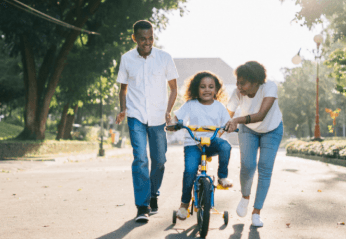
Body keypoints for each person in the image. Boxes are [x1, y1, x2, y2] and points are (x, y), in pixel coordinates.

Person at [115, 20, 179, 223]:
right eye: (143, 39)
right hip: (135, 116)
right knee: (141, 159)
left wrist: (168, 111)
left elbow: (174, 88)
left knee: (159, 161)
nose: (147, 42)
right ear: (134, 38)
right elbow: (123, 88)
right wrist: (123, 109)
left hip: (159, 117)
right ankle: (142, 206)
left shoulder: (164, 58)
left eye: (150, 38)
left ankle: (153, 194)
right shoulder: (126, 59)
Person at [224, 61, 283, 227]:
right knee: (247, 165)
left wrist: (237, 120)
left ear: (256, 82)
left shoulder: (269, 87)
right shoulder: (238, 93)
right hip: (248, 130)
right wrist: (216, 131)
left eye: (242, 83)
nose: (239, 86)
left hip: (272, 129)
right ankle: (245, 196)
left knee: (265, 167)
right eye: (237, 82)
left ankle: (256, 212)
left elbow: (261, 115)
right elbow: (226, 115)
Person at [168, 71, 233, 220]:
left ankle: (222, 177)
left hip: (211, 142)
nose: (207, 90)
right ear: (197, 88)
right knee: (190, 171)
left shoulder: (219, 107)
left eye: (211, 86)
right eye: (203, 86)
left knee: (226, 146)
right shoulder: (190, 105)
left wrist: (230, 126)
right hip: (193, 143)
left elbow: (227, 123)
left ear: (216, 90)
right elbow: (176, 118)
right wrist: (173, 124)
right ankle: (184, 205)